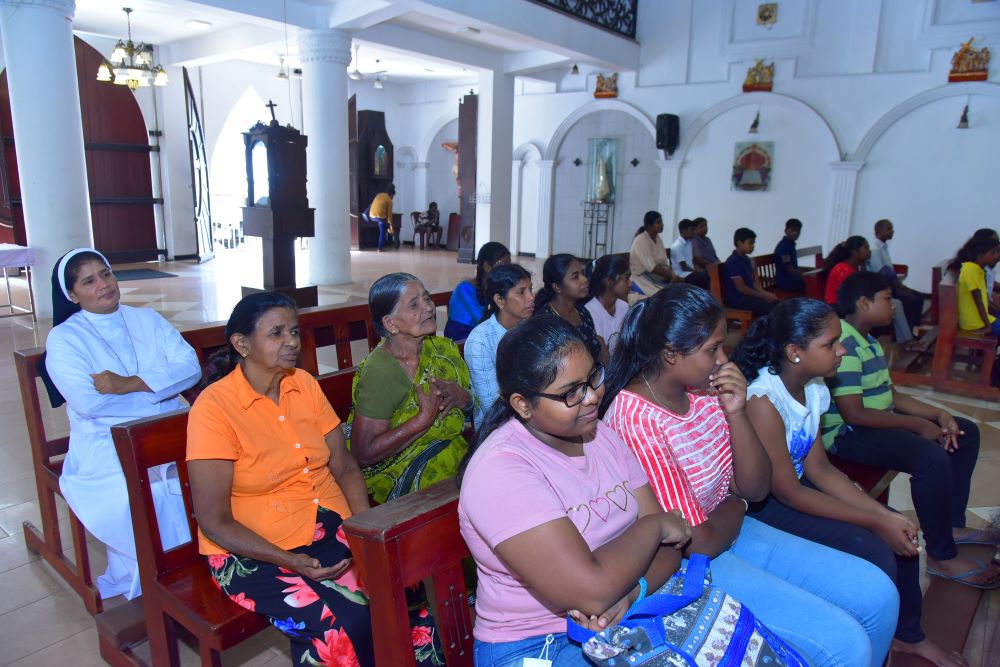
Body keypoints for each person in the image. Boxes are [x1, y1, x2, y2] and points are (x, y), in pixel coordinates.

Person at [601, 283, 899, 667]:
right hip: (691, 567)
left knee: (877, 593)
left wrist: (737, 412)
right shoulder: (637, 419)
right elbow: (699, 543)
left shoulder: (705, 391)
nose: (724, 360)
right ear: (671, 354)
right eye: (712, 350)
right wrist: (736, 502)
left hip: (733, 529)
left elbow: (755, 489)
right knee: (844, 644)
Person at [187, 292, 441, 666]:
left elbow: (344, 466)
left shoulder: (302, 384)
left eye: (293, 331)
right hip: (254, 547)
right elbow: (214, 520)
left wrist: (362, 529)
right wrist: (291, 561)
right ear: (242, 344)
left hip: (329, 523)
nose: (291, 341)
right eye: (276, 333)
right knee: (338, 624)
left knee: (402, 590)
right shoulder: (215, 409)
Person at [733, 298, 972, 667]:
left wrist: (882, 514)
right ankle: (876, 640)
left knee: (900, 529)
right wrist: (874, 521)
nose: (842, 350)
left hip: (798, 489)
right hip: (767, 507)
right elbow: (789, 491)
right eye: (830, 344)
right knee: (877, 546)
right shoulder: (763, 401)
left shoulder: (813, 388)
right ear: (794, 352)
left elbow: (820, 469)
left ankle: (910, 636)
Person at [459, 315, 692, 665]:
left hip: (626, 611)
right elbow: (592, 593)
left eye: (593, 378)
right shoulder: (502, 470)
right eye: (571, 392)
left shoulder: (601, 435)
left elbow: (671, 551)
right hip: (537, 643)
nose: (592, 397)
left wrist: (631, 592)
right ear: (523, 404)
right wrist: (655, 526)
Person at [821, 272, 999, 589]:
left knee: (964, 432)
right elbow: (855, 413)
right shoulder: (845, 342)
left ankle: (951, 524)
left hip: (870, 425)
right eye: (888, 299)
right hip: (846, 435)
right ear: (864, 303)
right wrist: (918, 425)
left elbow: (890, 395)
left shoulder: (869, 340)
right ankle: (941, 555)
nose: (895, 305)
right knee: (930, 458)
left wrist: (938, 413)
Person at [44, 248, 199, 600]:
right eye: (89, 280)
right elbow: (90, 402)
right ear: (72, 294)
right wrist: (159, 389)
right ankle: (153, 579)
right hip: (106, 441)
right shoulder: (65, 339)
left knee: (212, 471)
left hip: (171, 427)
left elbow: (190, 367)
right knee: (149, 492)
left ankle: (202, 562)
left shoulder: (148, 319)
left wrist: (127, 383)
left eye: (107, 274)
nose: (103, 284)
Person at [348, 273, 473, 504]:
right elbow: (364, 453)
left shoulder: (442, 350)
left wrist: (463, 398)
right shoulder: (380, 371)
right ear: (390, 323)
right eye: (414, 304)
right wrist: (422, 420)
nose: (428, 307)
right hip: (402, 471)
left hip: (453, 452)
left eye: (427, 298)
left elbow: (470, 408)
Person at [465, 263, 534, 425]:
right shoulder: (480, 341)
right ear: (500, 300)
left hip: (534, 415)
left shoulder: (531, 328)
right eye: (522, 292)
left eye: (531, 289)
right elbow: (493, 406)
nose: (531, 297)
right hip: (498, 427)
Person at [825, 237, 918, 350]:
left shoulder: (855, 266)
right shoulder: (842, 268)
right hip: (839, 306)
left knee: (897, 302)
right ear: (855, 252)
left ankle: (905, 340)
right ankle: (906, 341)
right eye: (865, 248)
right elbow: (856, 292)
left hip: (855, 300)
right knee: (896, 304)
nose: (869, 251)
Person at [536, 253, 609, 365]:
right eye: (575, 277)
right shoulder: (546, 321)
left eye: (583, 273)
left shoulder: (582, 312)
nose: (584, 279)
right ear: (557, 287)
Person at [444, 241, 510, 341]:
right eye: (503, 264)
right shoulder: (465, 288)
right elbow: (483, 320)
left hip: (482, 335)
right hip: (461, 340)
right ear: (487, 266)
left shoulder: (497, 287)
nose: (509, 269)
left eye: (509, 264)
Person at [868, 219, 924, 331]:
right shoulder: (875, 250)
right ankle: (903, 333)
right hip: (882, 286)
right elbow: (880, 274)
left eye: (892, 229)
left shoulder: (883, 247)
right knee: (912, 300)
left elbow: (888, 270)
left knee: (919, 296)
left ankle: (911, 329)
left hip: (892, 283)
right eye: (889, 229)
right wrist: (897, 284)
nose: (892, 231)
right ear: (879, 231)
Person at [724, 227, 778, 316]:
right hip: (739, 299)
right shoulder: (733, 261)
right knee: (767, 307)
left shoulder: (746, 259)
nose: (753, 246)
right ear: (739, 243)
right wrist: (764, 296)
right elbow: (741, 288)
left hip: (748, 296)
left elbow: (752, 283)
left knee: (776, 303)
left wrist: (766, 294)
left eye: (754, 243)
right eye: (750, 243)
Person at [584, 254, 630, 355]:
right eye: (626, 278)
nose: (630, 284)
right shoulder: (591, 311)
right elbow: (602, 356)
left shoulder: (624, 307)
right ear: (609, 281)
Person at [955, 239, 1000, 335]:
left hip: (981, 320)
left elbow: (984, 299)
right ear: (980, 256)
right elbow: (978, 300)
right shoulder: (970, 269)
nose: (997, 255)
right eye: (993, 253)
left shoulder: (978, 270)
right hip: (976, 323)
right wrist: (988, 326)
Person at [629, 210, 677, 297]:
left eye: (661, 222)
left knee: (678, 289)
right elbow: (652, 267)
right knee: (662, 296)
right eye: (658, 223)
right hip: (642, 277)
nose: (662, 225)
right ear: (649, 226)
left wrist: (672, 275)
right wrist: (671, 276)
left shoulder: (658, 239)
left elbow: (664, 261)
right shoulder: (641, 240)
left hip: (657, 275)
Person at [669, 218, 712, 289]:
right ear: (683, 231)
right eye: (691, 229)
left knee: (707, 274)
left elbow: (690, 262)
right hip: (681, 274)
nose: (694, 232)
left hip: (689, 272)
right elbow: (684, 267)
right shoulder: (677, 245)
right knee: (703, 276)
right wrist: (696, 271)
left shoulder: (689, 242)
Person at [774, 218, 806, 292]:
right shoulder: (784, 247)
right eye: (793, 230)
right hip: (785, 282)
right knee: (810, 282)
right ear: (786, 231)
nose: (795, 233)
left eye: (798, 230)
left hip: (791, 279)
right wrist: (805, 275)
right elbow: (790, 270)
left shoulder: (790, 245)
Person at [367, 183, 397, 252]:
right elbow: (389, 215)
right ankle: (380, 248)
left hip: (371, 216)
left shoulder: (379, 194)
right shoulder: (389, 201)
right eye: (393, 196)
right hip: (379, 217)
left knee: (382, 225)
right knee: (382, 231)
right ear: (392, 194)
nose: (393, 198)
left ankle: (378, 244)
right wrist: (391, 225)